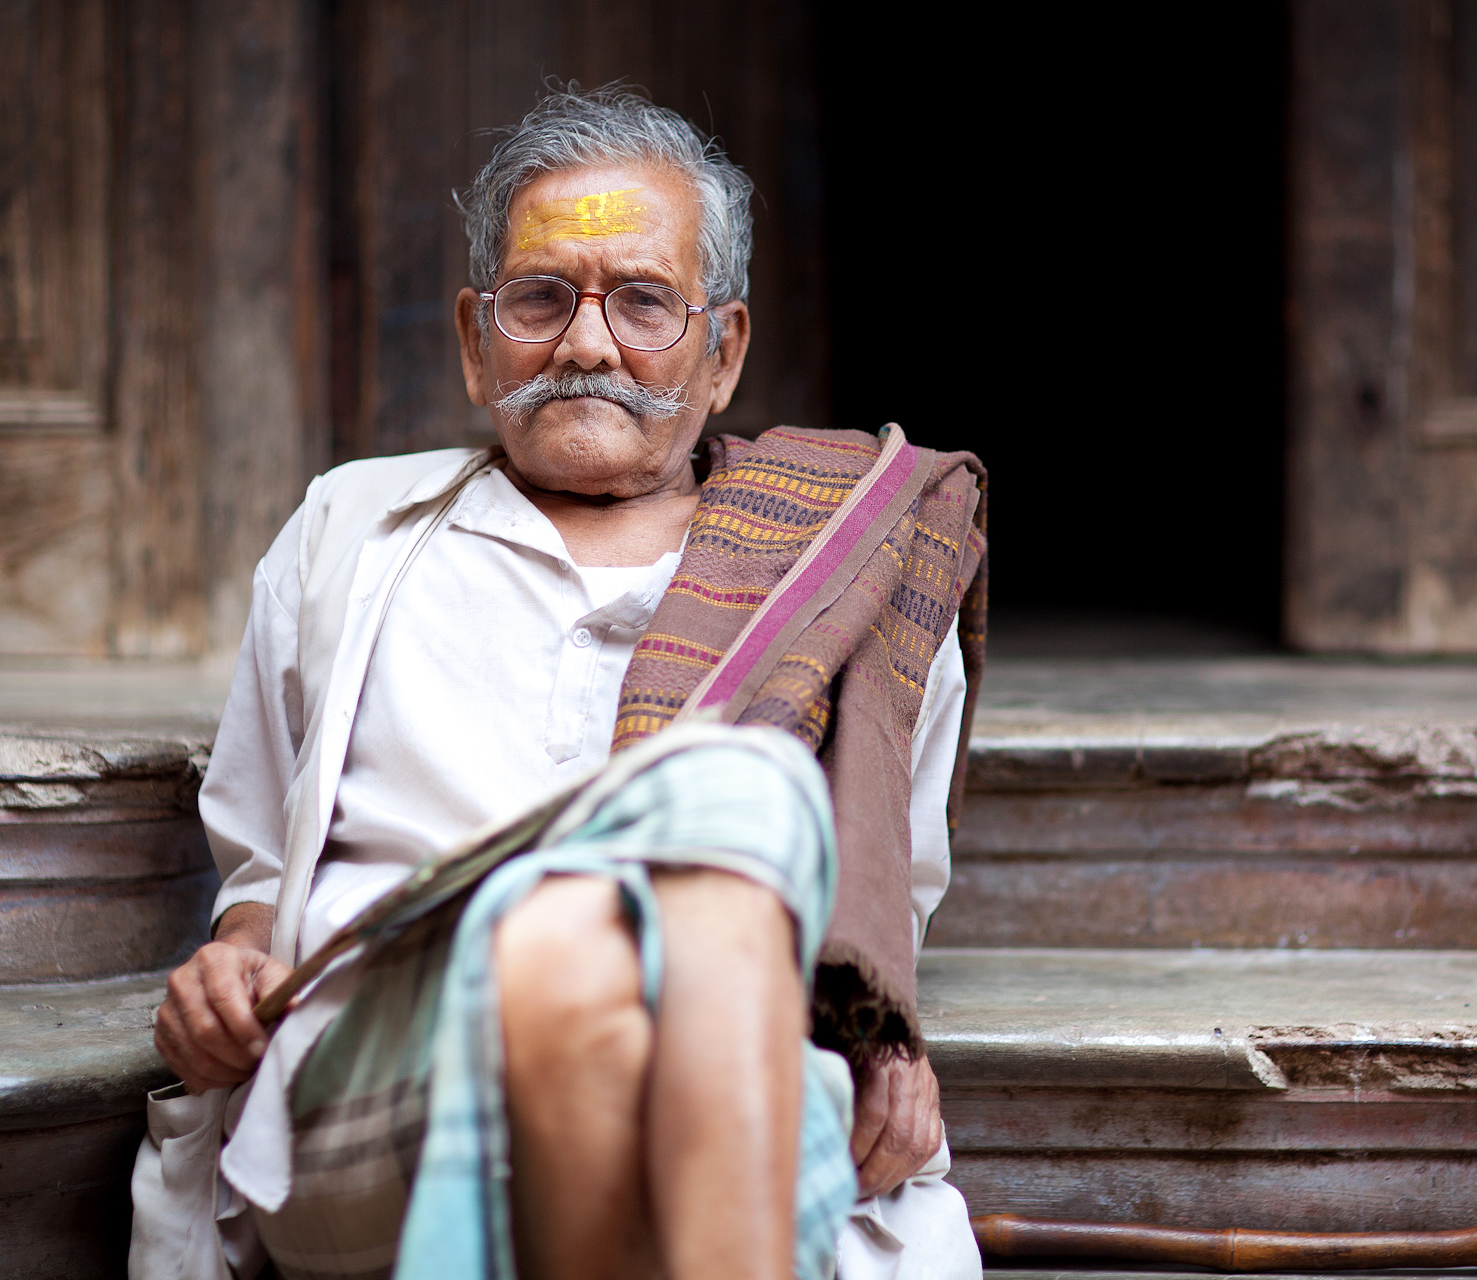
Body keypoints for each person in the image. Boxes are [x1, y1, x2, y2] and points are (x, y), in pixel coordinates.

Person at [135, 85, 987, 1280]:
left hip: (735, 1063)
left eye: (643, 301)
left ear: (724, 349)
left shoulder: (840, 562)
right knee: (673, 857)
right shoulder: (350, 531)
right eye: (542, 300)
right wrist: (229, 964)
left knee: (640, 913)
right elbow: (262, 875)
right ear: (478, 341)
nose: (588, 343)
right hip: (386, 1066)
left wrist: (886, 1040)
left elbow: (882, 904)